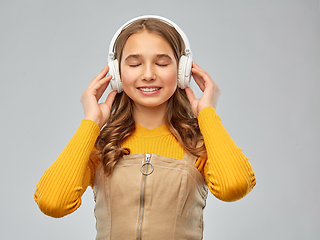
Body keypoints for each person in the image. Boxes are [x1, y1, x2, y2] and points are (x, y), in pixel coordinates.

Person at [34, 15, 256, 239]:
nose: (148, 75)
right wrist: (91, 123)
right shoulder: (102, 147)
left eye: (161, 63)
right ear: (117, 73)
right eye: (134, 64)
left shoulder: (198, 145)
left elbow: (234, 187)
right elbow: (53, 203)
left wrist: (207, 114)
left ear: (182, 71)